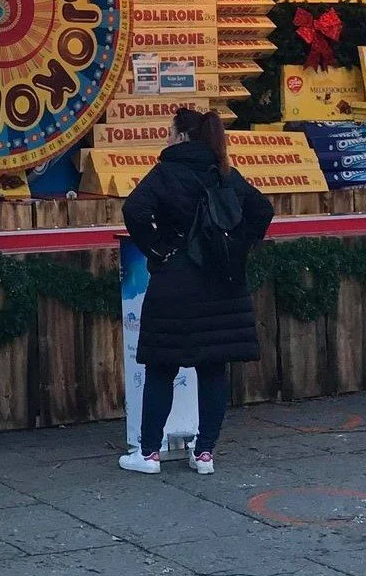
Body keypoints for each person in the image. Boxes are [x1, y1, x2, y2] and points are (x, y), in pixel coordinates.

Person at [119, 107, 274, 476]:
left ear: (182, 136)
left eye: (169, 132)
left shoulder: (166, 172)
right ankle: (204, 453)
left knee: (161, 366)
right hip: (221, 282)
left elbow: (134, 210)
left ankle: (149, 454)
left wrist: (157, 248)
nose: (166, 138)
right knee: (213, 367)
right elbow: (262, 211)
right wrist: (237, 248)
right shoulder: (223, 172)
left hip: (174, 282)